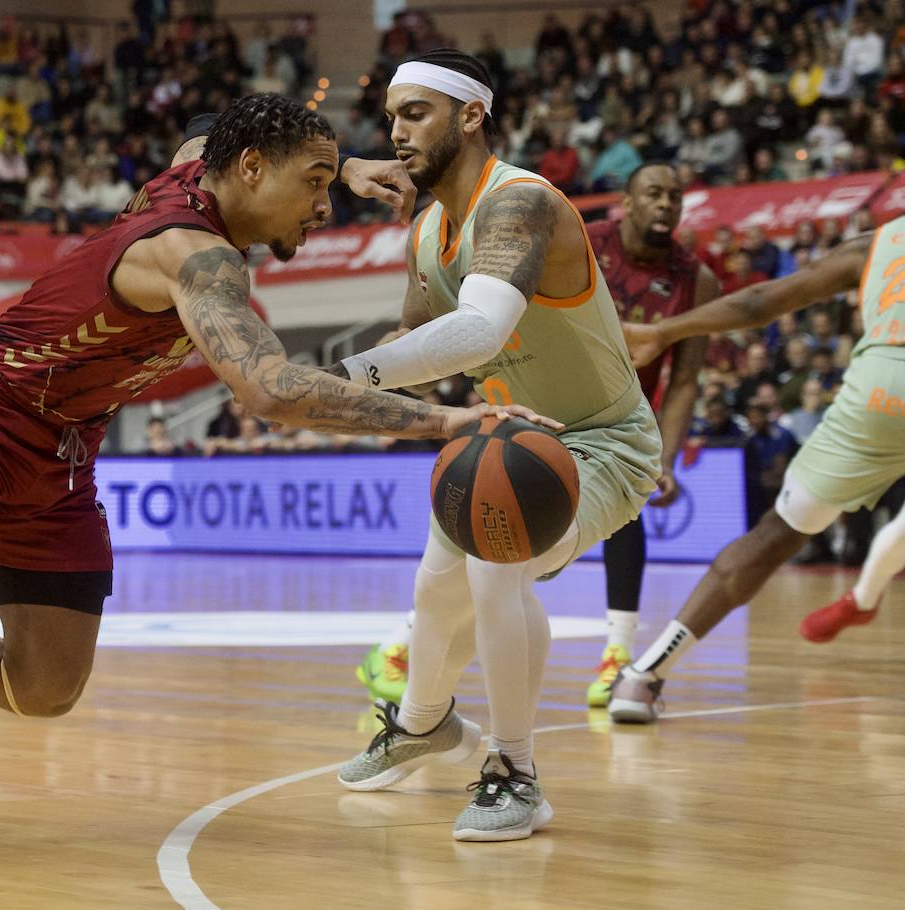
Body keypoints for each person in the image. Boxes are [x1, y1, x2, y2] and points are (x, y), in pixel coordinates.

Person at [0, 94, 557, 856]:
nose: (326, 205)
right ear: (250, 172)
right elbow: (268, 389)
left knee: (44, 689)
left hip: (64, 440)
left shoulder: (200, 168)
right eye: (315, 183)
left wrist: (344, 158)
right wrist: (452, 419)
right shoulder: (199, 257)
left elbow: (208, 129)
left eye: (331, 181)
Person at [327, 50, 660, 842]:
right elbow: (415, 334)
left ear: (471, 115)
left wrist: (341, 377)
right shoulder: (425, 232)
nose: (397, 132)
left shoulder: (521, 204)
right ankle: (423, 723)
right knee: (434, 591)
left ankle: (516, 772)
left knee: (492, 561)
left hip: (603, 440)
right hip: (509, 436)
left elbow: (479, 330)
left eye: (416, 113)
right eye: (392, 117)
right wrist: (340, 381)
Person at [355, 162, 718, 710]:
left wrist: (665, 448)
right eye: (654, 194)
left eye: (676, 196)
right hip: (528, 408)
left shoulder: (696, 278)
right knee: (471, 550)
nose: (666, 205)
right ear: (627, 199)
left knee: (525, 551)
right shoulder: (576, 236)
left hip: (616, 421)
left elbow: (686, 376)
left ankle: (611, 658)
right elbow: (457, 321)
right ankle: (410, 674)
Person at [613, 215, 905, 722]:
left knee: (773, 536)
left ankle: (642, 679)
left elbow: (757, 302)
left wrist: (665, 330)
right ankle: (862, 597)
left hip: (879, 397)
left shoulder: (880, 241)